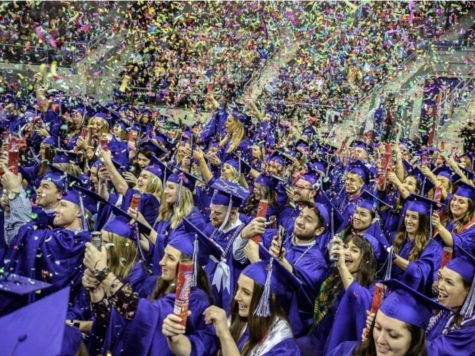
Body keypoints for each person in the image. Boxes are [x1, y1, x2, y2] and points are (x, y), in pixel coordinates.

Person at [87, 229, 219, 356]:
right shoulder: (153, 284)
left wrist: (102, 272)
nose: (161, 262)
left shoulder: (195, 299)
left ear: (189, 268)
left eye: (170, 258)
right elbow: (120, 318)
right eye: (164, 255)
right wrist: (96, 292)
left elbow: (142, 313)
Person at [297, 233, 379, 356]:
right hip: (317, 342)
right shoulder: (334, 277)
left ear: (367, 260)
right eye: (345, 247)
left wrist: (341, 265)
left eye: (354, 250)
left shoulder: (374, 287)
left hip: (342, 350)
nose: (345, 252)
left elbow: (362, 301)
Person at [201, 258, 302, 356]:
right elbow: (201, 347)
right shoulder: (237, 319)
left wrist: (225, 336)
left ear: (265, 300)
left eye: (246, 292)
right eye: (238, 288)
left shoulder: (283, 345)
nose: (236, 297)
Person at [82, 217, 153, 355]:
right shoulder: (106, 265)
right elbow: (101, 319)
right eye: (99, 242)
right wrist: (93, 289)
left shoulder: (139, 278)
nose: (99, 249)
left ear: (120, 248)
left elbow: (118, 322)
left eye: (106, 243)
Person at [327, 279, 451, 356]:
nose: (380, 339)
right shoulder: (346, 351)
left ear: (414, 341)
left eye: (393, 335)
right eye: (378, 327)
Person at [386, 194, 443, 294]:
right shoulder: (396, 238)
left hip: (413, 297)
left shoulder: (432, 247)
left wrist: (395, 258)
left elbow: (419, 272)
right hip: (391, 291)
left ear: (422, 221)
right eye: (407, 216)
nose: (408, 220)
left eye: (414, 217)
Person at [428, 245, 475, 355]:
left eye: (449, 282)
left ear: (469, 291)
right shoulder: (436, 307)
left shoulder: (471, 327)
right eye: (440, 278)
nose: (439, 286)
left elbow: (437, 350)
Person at [432, 182, 475, 253]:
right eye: (454, 199)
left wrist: (439, 227)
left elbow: (461, 246)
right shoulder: (443, 214)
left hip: (451, 262)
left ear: (470, 207)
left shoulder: (472, 227)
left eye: (461, 202)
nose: (455, 204)